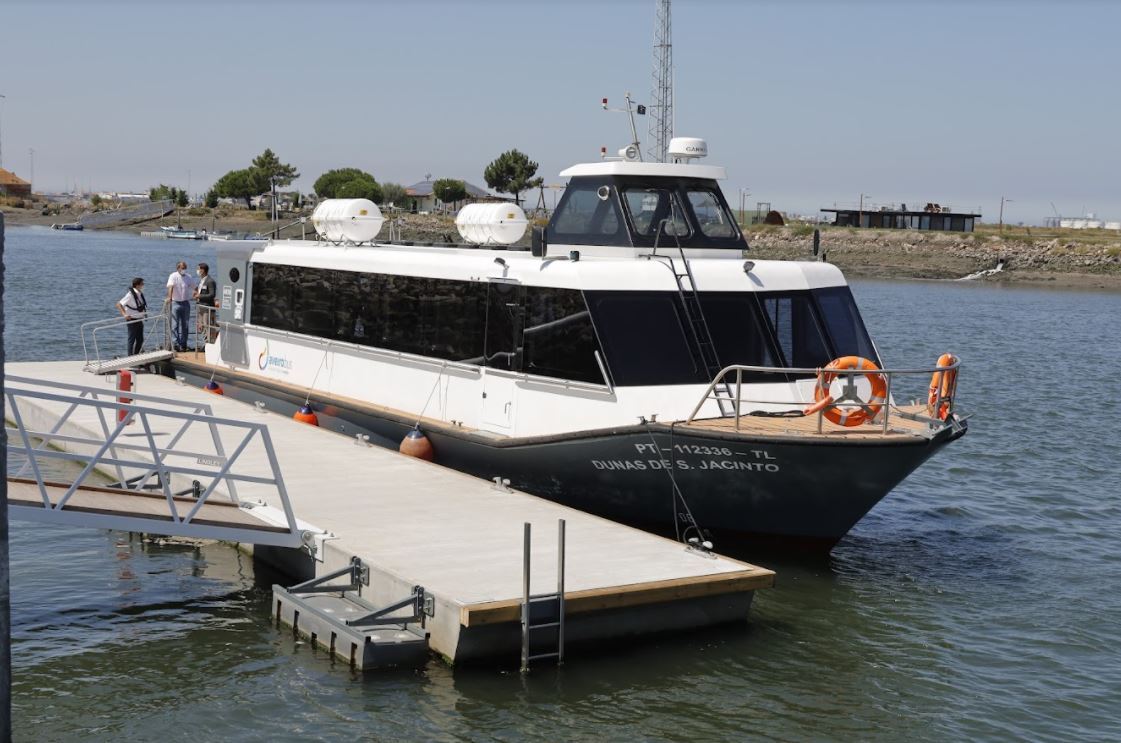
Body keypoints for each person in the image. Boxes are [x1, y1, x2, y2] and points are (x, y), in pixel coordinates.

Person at [166, 260, 197, 351]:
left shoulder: (188, 277)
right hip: (176, 303)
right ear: (178, 268)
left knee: (185, 325)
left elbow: (195, 287)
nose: (184, 269)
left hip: (186, 303)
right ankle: (175, 344)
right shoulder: (173, 276)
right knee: (175, 325)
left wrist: (196, 293)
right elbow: (170, 287)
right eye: (183, 268)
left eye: (185, 268)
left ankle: (183, 344)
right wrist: (169, 297)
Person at [115, 277, 148, 356]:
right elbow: (118, 304)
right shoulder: (130, 295)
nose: (143, 285)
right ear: (137, 285)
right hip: (132, 320)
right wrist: (124, 314)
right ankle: (130, 357)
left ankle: (136, 355)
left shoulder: (139, 294)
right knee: (131, 339)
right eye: (142, 284)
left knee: (140, 340)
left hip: (139, 319)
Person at [194, 262, 217, 343]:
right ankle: (206, 342)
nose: (197, 271)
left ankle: (211, 343)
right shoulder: (202, 281)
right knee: (201, 326)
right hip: (201, 307)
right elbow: (202, 292)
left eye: (198, 269)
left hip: (207, 308)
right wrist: (196, 294)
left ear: (203, 270)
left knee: (208, 326)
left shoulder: (210, 281)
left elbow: (212, 294)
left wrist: (199, 296)